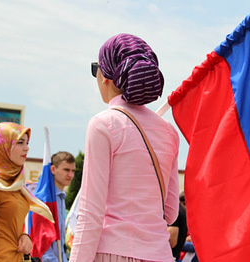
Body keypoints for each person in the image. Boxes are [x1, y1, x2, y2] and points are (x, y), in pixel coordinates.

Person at [70, 33, 180, 262]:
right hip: (160, 254)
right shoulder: (169, 131)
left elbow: (91, 212)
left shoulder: (103, 124)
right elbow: (170, 212)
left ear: (106, 76)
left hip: (114, 251)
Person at [0, 122, 54, 262]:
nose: (27, 148)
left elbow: (10, 227)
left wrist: (25, 236)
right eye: (20, 143)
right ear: (1, 147)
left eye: (27, 143)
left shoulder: (15, 186)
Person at [41, 151, 76, 262]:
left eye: (73, 171)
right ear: (53, 169)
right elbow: (43, 242)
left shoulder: (61, 198)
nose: (70, 175)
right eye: (66, 170)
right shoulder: (45, 199)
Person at [168, 192, 188, 261]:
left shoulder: (176, 211)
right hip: (174, 256)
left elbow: (172, 241)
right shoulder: (182, 212)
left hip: (169, 256)